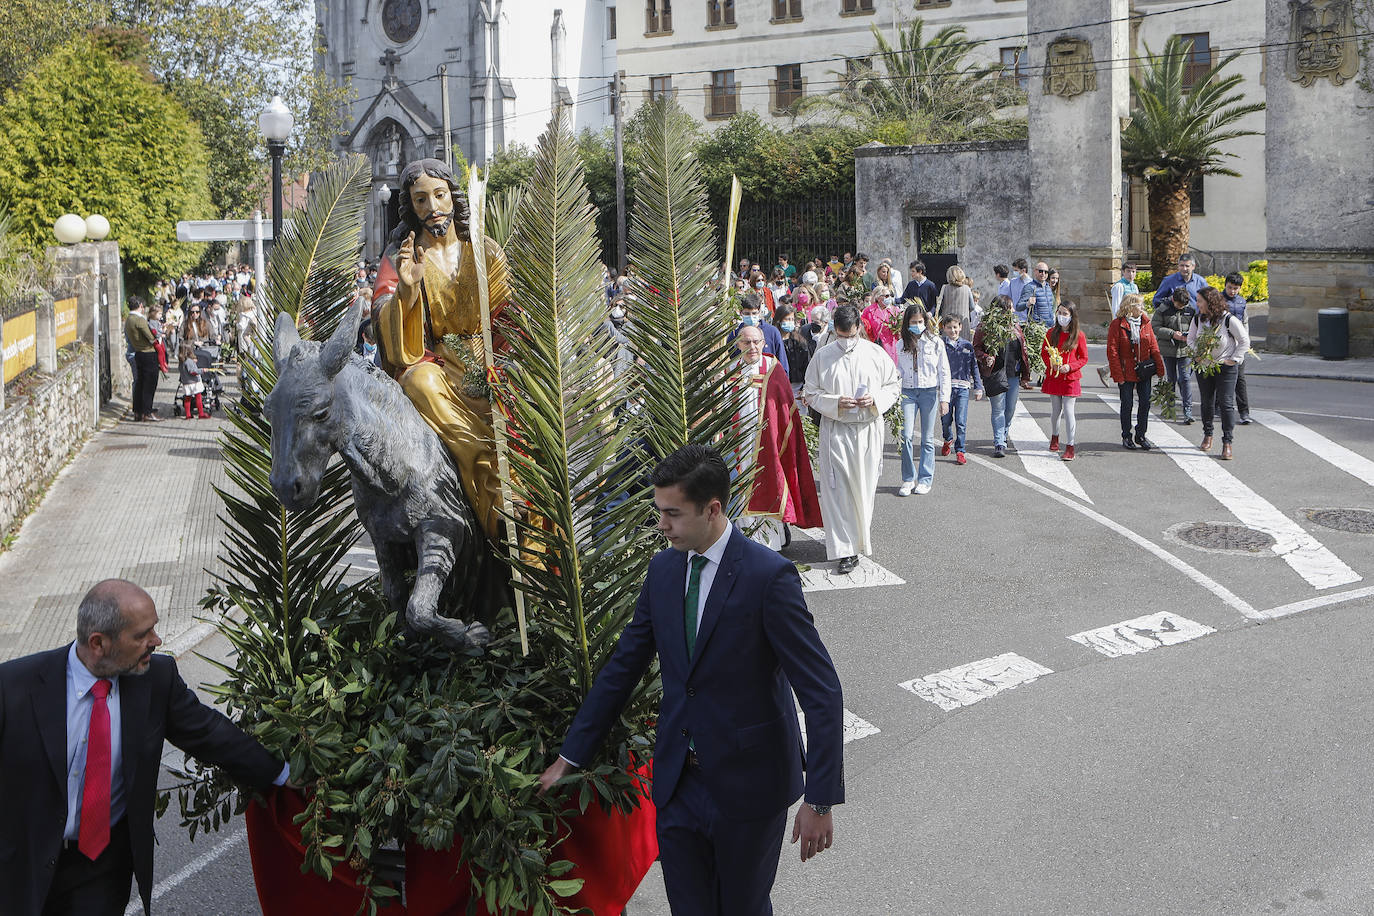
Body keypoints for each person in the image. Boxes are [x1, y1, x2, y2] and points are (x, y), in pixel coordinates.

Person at [536, 445, 843, 914]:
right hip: (679, 784)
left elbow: (821, 692)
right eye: (659, 512)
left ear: (712, 508)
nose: (662, 525)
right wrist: (570, 755)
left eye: (673, 514)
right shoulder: (662, 571)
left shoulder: (768, 578)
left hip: (749, 788)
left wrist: (819, 800)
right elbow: (623, 667)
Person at [0, 580, 290, 916]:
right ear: (98, 643)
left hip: (100, 869)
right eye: (142, 635)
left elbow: (209, 733)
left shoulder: (157, 679)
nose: (156, 641)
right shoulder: (13, 687)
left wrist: (282, 774)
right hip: (21, 863)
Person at [373, 158, 512, 542]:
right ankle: (484, 483)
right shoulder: (402, 256)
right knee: (418, 381)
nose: (432, 207)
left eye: (438, 195)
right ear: (410, 208)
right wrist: (407, 288)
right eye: (420, 200)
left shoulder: (485, 252)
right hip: (435, 364)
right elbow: (384, 322)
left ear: (453, 197)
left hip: (486, 363)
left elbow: (508, 316)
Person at [803, 304, 900, 573]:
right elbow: (810, 393)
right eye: (842, 336)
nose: (846, 341)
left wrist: (875, 399)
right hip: (836, 429)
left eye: (851, 335)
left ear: (859, 328)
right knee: (838, 490)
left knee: (864, 488)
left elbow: (893, 386)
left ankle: (860, 542)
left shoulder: (875, 353)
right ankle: (845, 550)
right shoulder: (823, 356)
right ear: (835, 330)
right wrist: (835, 403)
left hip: (868, 428)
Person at [731, 326, 824, 549]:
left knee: (771, 487)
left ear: (764, 343)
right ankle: (746, 543)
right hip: (740, 444)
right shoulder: (731, 372)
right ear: (738, 345)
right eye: (746, 343)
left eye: (756, 342)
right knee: (742, 492)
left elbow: (785, 412)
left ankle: (771, 543)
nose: (752, 347)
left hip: (769, 443)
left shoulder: (773, 369)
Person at [1188, 286, 1251, 460]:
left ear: (1210, 302)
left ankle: (1227, 442)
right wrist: (1197, 354)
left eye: (1200, 301)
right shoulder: (1197, 319)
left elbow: (1244, 340)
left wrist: (1234, 359)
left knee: (1226, 403)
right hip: (1205, 367)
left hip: (1225, 367)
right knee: (1207, 402)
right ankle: (1208, 435)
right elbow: (1190, 339)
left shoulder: (1228, 319)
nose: (1197, 304)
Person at [893, 304, 949, 497]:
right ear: (907, 324)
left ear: (925, 322)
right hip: (907, 392)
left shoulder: (935, 342)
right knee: (906, 435)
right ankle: (908, 478)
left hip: (929, 392)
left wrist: (944, 399)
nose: (917, 325)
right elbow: (898, 368)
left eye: (920, 322)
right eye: (913, 322)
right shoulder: (901, 343)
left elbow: (944, 371)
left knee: (927, 438)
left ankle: (925, 479)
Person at [973, 295, 1032, 459]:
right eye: (1010, 308)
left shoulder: (1015, 326)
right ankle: (999, 442)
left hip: (1013, 373)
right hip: (995, 373)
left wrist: (1026, 373)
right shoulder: (984, 326)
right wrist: (986, 357)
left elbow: (1023, 350)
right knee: (998, 409)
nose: (1013, 311)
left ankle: (1004, 434)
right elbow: (976, 348)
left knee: (1010, 409)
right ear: (1001, 310)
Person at [1106, 293, 1165, 450]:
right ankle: (1126, 435)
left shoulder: (1145, 323)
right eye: (1139, 305)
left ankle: (1141, 435)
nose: (1142, 308)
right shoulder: (1117, 324)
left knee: (1145, 403)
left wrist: (1160, 369)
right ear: (1130, 307)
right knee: (1127, 404)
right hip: (1126, 371)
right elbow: (1112, 352)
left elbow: (1153, 346)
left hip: (1143, 371)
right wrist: (1118, 375)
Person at [1040, 299, 1089, 461]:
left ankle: (1070, 445)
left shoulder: (1079, 336)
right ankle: (1055, 437)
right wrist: (1051, 364)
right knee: (1055, 411)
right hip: (1055, 377)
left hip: (1070, 378)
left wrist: (1070, 366)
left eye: (1065, 314)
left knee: (1069, 412)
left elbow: (1083, 358)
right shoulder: (1051, 333)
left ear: (1072, 316)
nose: (1061, 316)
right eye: (1059, 313)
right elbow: (1045, 353)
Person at [939, 315, 983, 465]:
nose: (953, 330)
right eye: (949, 327)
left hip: (963, 389)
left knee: (961, 421)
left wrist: (978, 386)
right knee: (946, 420)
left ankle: (960, 450)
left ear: (961, 327)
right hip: (946, 389)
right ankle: (947, 439)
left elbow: (974, 367)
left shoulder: (967, 346)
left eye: (955, 327)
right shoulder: (940, 345)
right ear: (944, 328)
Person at [1152, 286, 1198, 425]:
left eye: (1183, 305)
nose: (1180, 307)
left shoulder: (1191, 310)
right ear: (1173, 299)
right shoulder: (1163, 309)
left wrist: (1189, 336)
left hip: (1185, 349)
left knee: (1185, 379)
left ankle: (1187, 410)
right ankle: (1170, 407)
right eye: (1178, 305)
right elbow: (1155, 327)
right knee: (1171, 378)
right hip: (1168, 349)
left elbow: (1197, 327)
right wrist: (1172, 334)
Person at [730, 294, 789, 375]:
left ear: (759, 312)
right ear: (741, 313)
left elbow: (782, 363)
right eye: (747, 313)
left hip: (768, 379)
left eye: (754, 313)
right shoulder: (734, 334)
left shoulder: (772, 332)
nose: (751, 316)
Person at [1221, 272, 1252, 424]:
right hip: (1222, 346)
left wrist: (1246, 341)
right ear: (1225, 285)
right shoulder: (1218, 300)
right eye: (1229, 287)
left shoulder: (1242, 302)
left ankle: (1244, 412)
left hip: (1238, 346)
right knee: (1219, 379)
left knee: (1240, 379)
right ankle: (1217, 407)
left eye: (1235, 288)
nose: (1232, 291)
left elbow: (1245, 321)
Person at [123, 297, 160, 423]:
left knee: (139, 384)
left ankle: (138, 411)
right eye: (142, 306)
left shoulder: (128, 320)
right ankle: (147, 412)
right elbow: (151, 337)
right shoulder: (139, 320)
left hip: (138, 353)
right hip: (148, 353)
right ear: (139, 306)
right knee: (149, 384)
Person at [773, 304, 812, 400]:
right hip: (777, 385)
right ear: (779, 320)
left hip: (797, 386)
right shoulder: (773, 341)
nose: (789, 322)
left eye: (791, 319)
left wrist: (804, 387)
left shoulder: (799, 342)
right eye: (786, 319)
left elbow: (807, 365)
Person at [860, 286, 901, 364]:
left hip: (892, 346)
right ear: (878, 298)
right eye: (886, 296)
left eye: (890, 295)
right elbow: (863, 328)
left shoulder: (895, 310)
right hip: (876, 345)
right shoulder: (868, 311)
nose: (889, 298)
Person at [936, 265, 975, 341]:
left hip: (948, 322)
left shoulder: (945, 288)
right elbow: (972, 306)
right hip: (963, 323)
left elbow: (939, 306)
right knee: (963, 346)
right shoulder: (967, 289)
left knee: (947, 345)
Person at [1017, 262, 1055, 326]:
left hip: (1050, 327)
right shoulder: (1029, 287)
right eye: (1041, 271)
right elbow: (1018, 307)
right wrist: (1027, 304)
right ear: (1035, 271)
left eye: (1046, 272)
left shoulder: (1048, 287)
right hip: (1038, 328)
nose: (1043, 274)